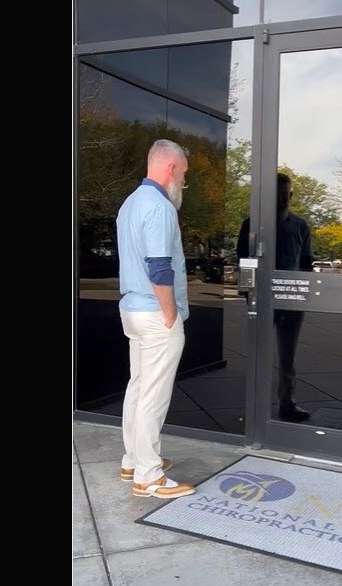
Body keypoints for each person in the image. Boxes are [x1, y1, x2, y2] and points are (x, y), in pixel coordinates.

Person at [115, 139, 196, 499]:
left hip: (132, 311)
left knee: (138, 387)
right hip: (155, 313)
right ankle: (147, 476)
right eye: (184, 175)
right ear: (171, 168)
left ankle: (133, 460)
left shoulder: (130, 203)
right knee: (154, 394)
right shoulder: (160, 207)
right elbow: (159, 266)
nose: (184, 183)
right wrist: (170, 313)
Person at [237, 173, 314, 422]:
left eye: (285, 194)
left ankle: (287, 404)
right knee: (259, 355)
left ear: (290, 195)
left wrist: (304, 296)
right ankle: (255, 408)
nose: (283, 199)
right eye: (278, 194)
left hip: (291, 299)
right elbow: (244, 262)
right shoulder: (252, 224)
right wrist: (249, 296)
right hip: (262, 299)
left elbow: (306, 264)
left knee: (287, 356)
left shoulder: (300, 226)